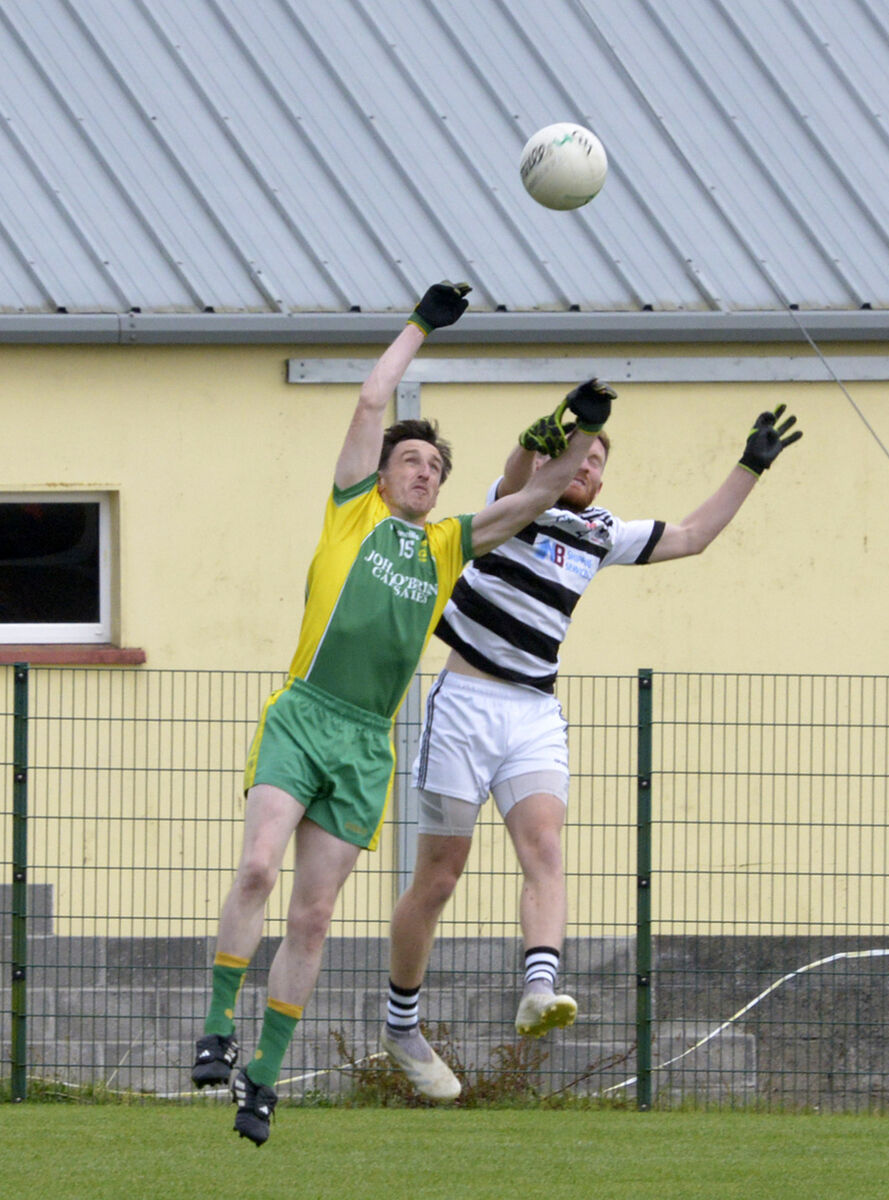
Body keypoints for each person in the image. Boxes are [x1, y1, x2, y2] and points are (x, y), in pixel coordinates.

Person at [189, 281, 616, 1146]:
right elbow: (372, 396)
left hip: (364, 746)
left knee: (313, 917)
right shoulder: (351, 513)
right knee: (259, 873)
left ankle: (263, 1082)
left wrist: (572, 430)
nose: (424, 471)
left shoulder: (446, 542)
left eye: (434, 467)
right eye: (412, 462)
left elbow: (535, 497)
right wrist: (420, 323)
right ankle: (216, 1028)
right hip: (304, 715)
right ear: (381, 475)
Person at [382, 395, 802, 1100]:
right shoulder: (514, 503)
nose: (589, 465)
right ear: (554, 457)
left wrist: (748, 467)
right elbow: (518, 470)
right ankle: (401, 1024)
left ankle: (539, 987)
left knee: (544, 847)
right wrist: (543, 434)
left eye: (598, 461)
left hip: (533, 712)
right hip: (463, 704)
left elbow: (693, 534)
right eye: (579, 452)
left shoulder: (599, 531)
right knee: (439, 878)